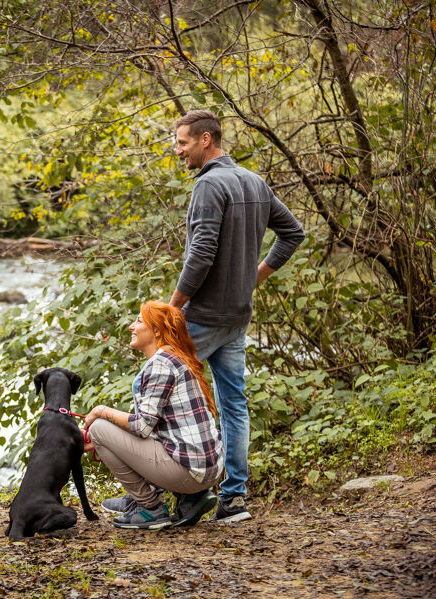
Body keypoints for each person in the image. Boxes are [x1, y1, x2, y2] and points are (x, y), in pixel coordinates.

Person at [169, 109, 305, 522]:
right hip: (237, 317)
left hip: (204, 315)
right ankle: (234, 499)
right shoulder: (253, 181)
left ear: (206, 140)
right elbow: (294, 232)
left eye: (183, 143)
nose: (179, 151)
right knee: (233, 405)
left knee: (163, 397)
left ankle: (178, 497)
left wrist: (170, 308)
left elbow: (200, 255)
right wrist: (253, 279)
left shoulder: (210, 186)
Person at [83, 301, 224, 530]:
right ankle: (184, 499)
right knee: (105, 431)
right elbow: (154, 424)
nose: (131, 326)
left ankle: (149, 508)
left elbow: (142, 427)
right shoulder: (175, 358)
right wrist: (110, 439)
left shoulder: (160, 365)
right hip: (208, 469)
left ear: (156, 331)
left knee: (98, 427)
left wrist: (102, 412)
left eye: (138, 321)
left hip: (190, 472)